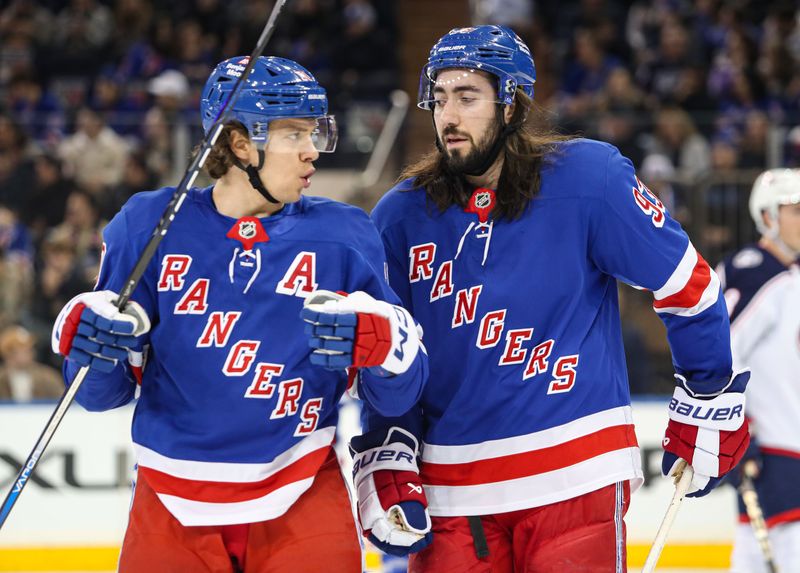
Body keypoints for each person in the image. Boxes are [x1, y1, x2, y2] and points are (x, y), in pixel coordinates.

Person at [352, 25, 751, 571]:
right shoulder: (399, 218)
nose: (448, 116)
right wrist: (388, 444)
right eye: (440, 98)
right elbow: (388, 355)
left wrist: (707, 389)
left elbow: (687, 282)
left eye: (468, 97)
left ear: (511, 105)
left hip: (576, 479)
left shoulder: (589, 179)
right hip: (451, 492)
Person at [50, 55, 428, 573]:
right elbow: (100, 394)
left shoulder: (344, 235)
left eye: (314, 132)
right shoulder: (150, 224)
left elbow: (400, 390)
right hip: (169, 507)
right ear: (238, 143)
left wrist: (386, 347)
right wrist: (92, 351)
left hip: (303, 496)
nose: (311, 151)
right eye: (293, 134)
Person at [719, 168, 800, 573]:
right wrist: (737, 426)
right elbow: (719, 353)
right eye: (797, 210)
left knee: (757, 552)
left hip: (789, 444)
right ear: (768, 216)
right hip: (772, 447)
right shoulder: (754, 270)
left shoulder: (791, 275)